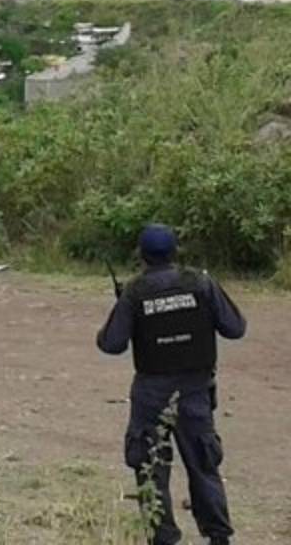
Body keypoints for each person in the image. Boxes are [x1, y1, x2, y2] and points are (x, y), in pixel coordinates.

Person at [97, 225, 246, 545]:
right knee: (204, 464)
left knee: (150, 468)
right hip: (195, 390)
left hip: (151, 393)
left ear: (141, 255)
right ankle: (219, 536)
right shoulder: (201, 283)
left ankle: (162, 538)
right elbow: (235, 328)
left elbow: (111, 344)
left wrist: (126, 310)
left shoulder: (135, 292)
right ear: (175, 251)